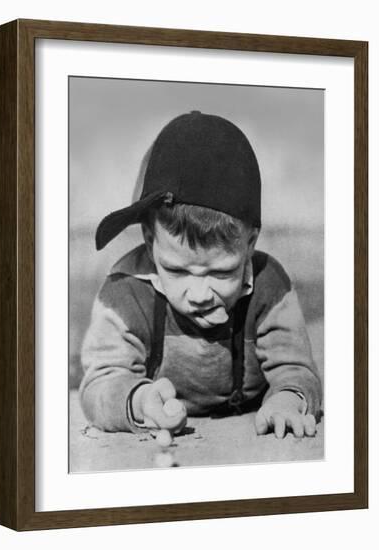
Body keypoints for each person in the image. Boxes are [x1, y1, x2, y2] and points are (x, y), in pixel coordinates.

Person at [78, 110, 322, 438]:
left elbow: (296, 370)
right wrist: (139, 401)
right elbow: (100, 385)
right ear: (150, 242)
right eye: (177, 270)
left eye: (221, 273)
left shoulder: (269, 286)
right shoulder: (124, 292)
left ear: (250, 243)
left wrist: (287, 401)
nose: (199, 294)